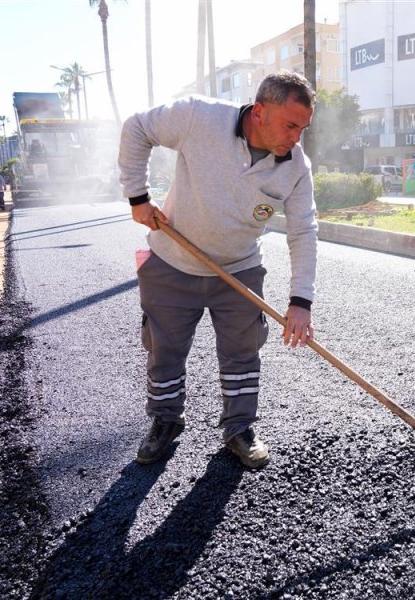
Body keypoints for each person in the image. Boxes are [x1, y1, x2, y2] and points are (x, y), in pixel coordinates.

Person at [118, 71, 318, 468]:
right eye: (290, 125)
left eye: (303, 129)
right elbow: (136, 127)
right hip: (172, 263)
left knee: (243, 352)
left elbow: (304, 230)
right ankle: (165, 421)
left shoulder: (296, 167)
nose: (297, 138)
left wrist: (300, 302)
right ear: (259, 111)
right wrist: (137, 198)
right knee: (164, 350)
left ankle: (239, 428)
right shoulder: (198, 116)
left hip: (239, 271)